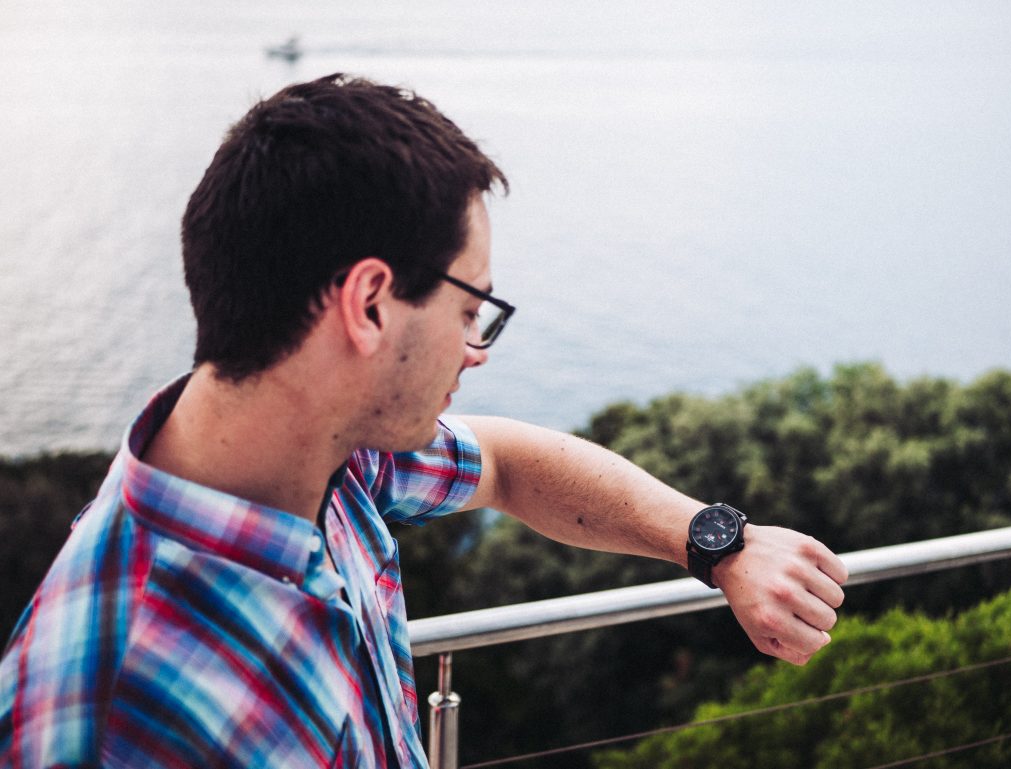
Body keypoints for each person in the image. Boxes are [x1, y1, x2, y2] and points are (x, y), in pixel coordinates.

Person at [0, 73, 847, 768]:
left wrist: (716, 542)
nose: (476, 349)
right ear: (369, 303)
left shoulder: (332, 456)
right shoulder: (124, 716)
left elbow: (510, 464)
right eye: (471, 306)